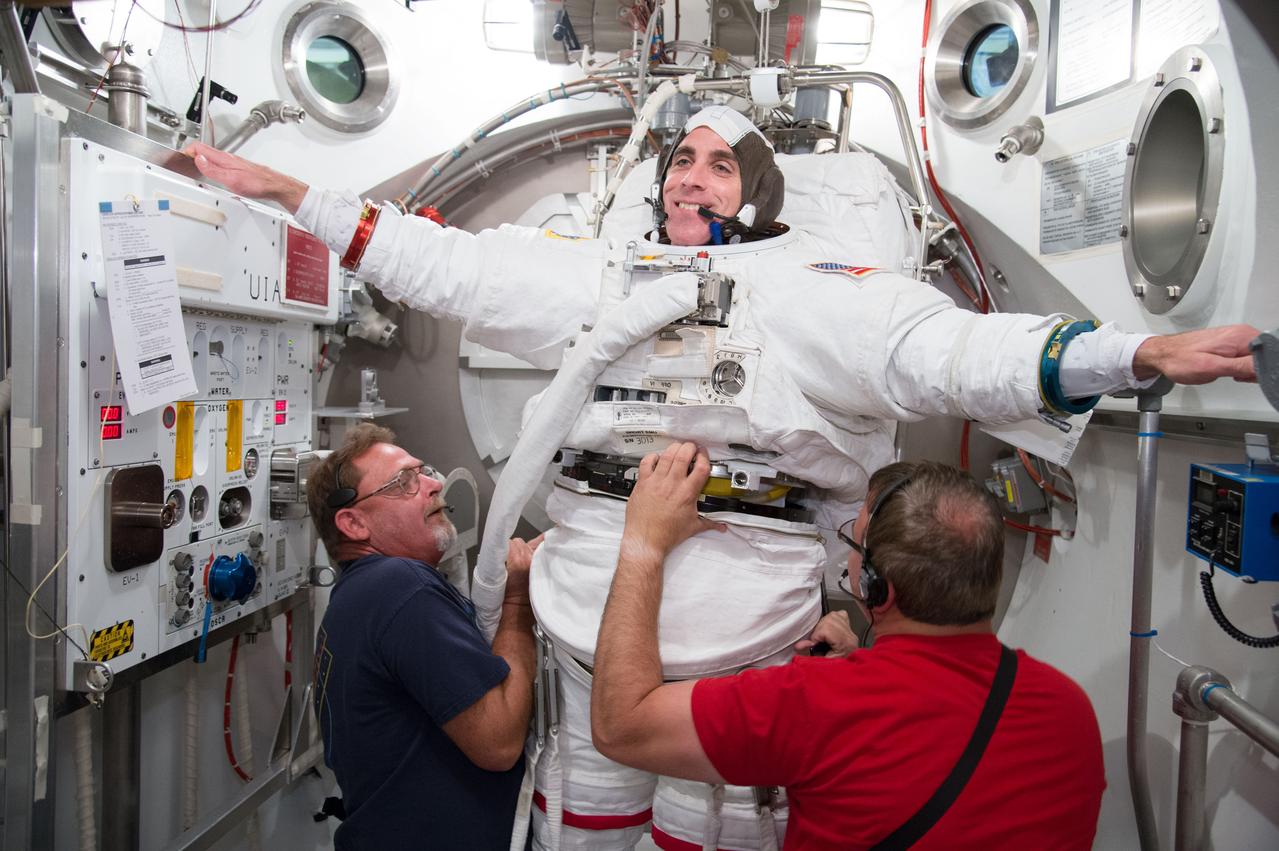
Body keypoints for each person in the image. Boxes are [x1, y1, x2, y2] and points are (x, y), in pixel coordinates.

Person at [185, 104, 1251, 850]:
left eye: (718, 164)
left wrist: (1130, 353)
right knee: (583, 824)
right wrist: (294, 192)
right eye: (679, 161)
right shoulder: (600, 278)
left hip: (746, 627)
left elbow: (954, 352)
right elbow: (449, 266)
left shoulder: (819, 289)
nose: (688, 176)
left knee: (717, 831)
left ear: (761, 191)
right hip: (588, 615)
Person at [591, 442, 1105, 849]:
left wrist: (644, 543)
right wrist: (861, 664)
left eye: (853, 541)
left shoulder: (814, 704)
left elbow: (621, 728)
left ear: (878, 587)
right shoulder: (1069, 708)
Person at [307, 422, 540, 849]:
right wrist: (517, 605)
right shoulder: (399, 588)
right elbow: (499, 742)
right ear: (353, 522)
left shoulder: (361, 597)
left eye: (424, 472)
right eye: (404, 482)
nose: (434, 485)